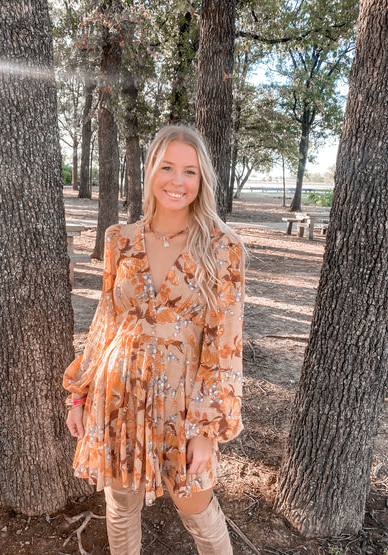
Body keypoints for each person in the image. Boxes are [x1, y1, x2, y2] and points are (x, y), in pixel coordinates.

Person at [63, 125, 245, 555]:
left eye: (189, 171)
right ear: (149, 171)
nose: (176, 181)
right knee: (120, 508)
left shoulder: (224, 248)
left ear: (202, 181)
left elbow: (227, 346)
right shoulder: (119, 241)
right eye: (166, 167)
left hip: (183, 405)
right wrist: (79, 393)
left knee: (199, 511)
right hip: (117, 396)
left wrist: (207, 430)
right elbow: (106, 323)